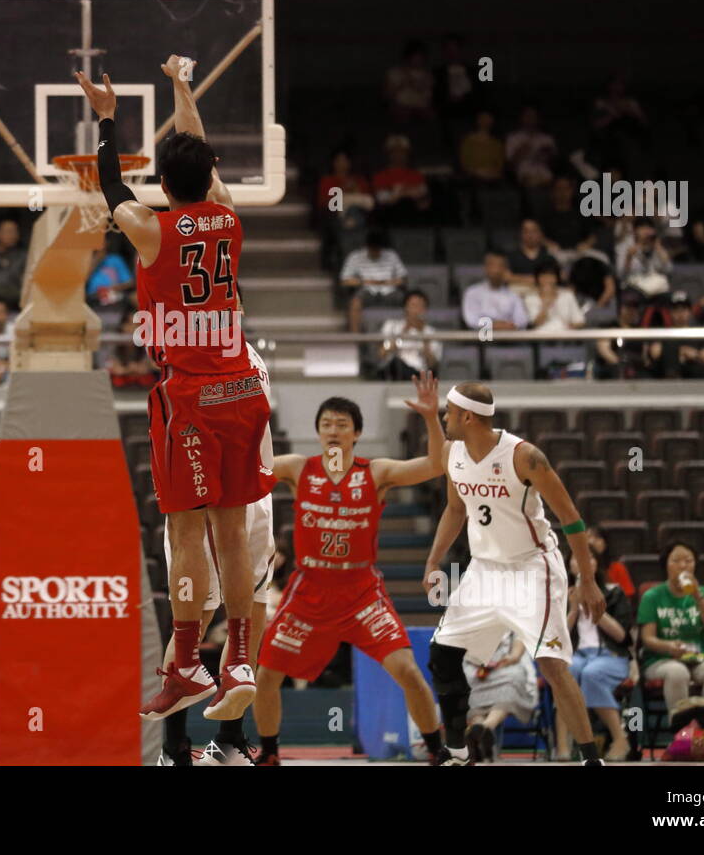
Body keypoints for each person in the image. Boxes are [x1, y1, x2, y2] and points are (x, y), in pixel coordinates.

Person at [76, 55, 273, 721]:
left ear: (163, 181)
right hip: (243, 389)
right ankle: (238, 656)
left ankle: (188, 660)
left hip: (190, 396)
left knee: (187, 533)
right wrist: (182, 87)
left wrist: (106, 121)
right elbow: (202, 161)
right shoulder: (226, 214)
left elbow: (109, 185)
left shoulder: (150, 230)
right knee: (234, 533)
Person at [254, 378, 453, 765]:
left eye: (342, 424)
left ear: (356, 434)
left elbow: (434, 465)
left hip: (361, 591)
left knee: (409, 671)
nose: (333, 430)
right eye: (327, 423)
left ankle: (436, 751)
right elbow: (249, 469)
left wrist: (431, 418)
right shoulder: (298, 468)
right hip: (309, 590)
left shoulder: (375, 473)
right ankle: (270, 753)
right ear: (317, 431)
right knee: (266, 676)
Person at [424, 382, 610, 765]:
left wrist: (587, 580)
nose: (444, 418)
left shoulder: (525, 457)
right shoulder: (451, 453)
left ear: (467, 416)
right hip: (485, 570)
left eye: (448, 412)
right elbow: (455, 510)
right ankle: (457, 751)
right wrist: (433, 559)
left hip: (532, 568)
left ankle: (592, 759)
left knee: (552, 666)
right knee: (442, 654)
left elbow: (572, 520)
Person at [159, 339, 276, 766]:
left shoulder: (251, 356)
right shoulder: (185, 353)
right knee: (196, 620)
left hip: (253, 499)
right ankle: (173, 748)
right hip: (203, 501)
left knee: (254, 618)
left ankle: (228, 741)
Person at [556, 541, 634, 762]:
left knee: (592, 673)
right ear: (568, 563)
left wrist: (594, 606)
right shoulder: (559, 595)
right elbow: (555, 638)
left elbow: (622, 636)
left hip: (610, 656)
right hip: (575, 655)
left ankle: (620, 739)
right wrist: (573, 610)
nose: (581, 561)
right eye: (576, 557)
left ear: (596, 563)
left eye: (589, 557)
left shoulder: (613, 592)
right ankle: (562, 744)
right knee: (563, 674)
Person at [636, 541, 704, 709]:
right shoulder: (652, 596)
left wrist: (697, 595)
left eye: (688, 561)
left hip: (697, 656)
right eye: (676, 561)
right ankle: (682, 729)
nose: (683, 565)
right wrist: (668, 646)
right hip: (661, 659)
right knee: (677, 672)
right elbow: (647, 639)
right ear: (666, 565)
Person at [462, 632, 537, 762]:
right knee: (467, 683)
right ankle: (481, 731)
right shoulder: (476, 623)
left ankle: (485, 728)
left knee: (511, 680)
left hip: (507, 665)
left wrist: (500, 662)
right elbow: (468, 652)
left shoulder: (514, 624)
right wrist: (482, 664)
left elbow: (516, 655)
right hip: (477, 666)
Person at [340, 228, 407, 333]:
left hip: (389, 290)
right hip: (367, 290)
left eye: (378, 249)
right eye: (373, 249)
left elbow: (403, 279)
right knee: (355, 303)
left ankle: (406, 333)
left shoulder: (391, 255)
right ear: (367, 247)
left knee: (408, 302)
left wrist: (389, 282)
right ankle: (355, 336)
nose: (376, 252)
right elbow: (345, 280)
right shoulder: (355, 257)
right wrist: (364, 282)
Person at [646, 291, 704, 379]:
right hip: (667, 381)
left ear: (689, 311)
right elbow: (655, 352)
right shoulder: (663, 333)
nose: (680, 313)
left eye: (683, 309)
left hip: (694, 380)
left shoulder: (698, 333)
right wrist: (681, 351)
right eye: (676, 309)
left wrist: (695, 355)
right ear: (670, 312)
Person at [378, 289, 441, 380]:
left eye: (420, 306)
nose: (416, 310)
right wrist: (403, 332)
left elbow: (432, 364)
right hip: (394, 369)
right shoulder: (392, 326)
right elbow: (382, 353)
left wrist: (423, 336)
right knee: (395, 364)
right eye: (413, 305)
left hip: (419, 373)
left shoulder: (431, 332)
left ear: (425, 310)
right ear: (406, 307)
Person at [461, 250, 528, 331]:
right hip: (482, 336)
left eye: (500, 265)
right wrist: (492, 325)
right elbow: (471, 320)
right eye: (491, 265)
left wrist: (509, 325)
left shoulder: (513, 294)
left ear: (506, 269)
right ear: (485, 268)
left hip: (508, 335)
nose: (496, 270)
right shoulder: (473, 292)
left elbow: (522, 320)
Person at [371, 134, 431, 223]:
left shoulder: (416, 175)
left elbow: (424, 201)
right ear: (388, 153)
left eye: (402, 151)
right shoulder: (380, 176)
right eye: (394, 151)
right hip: (389, 218)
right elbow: (381, 200)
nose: (398, 155)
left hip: (415, 218)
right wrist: (399, 195)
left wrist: (402, 193)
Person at [594, 289, 651, 380]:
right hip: (614, 368)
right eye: (628, 306)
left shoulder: (640, 331)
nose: (631, 311)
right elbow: (604, 350)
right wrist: (621, 365)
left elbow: (645, 358)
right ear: (620, 308)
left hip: (637, 370)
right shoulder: (609, 327)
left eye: (635, 307)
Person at [505, 105, 558, 189]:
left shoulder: (547, 139)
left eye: (533, 116)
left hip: (544, 172)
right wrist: (521, 152)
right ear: (521, 118)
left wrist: (548, 155)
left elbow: (555, 164)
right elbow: (509, 165)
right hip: (524, 173)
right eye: (527, 116)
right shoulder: (513, 137)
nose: (530, 119)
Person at [523, 263, 585, 332]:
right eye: (543, 277)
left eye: (551, 276)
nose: (547, 280)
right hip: (541, 338)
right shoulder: (530, 298)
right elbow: (535, 324)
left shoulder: (567, 295)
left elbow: (580, 322)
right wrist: (545, 306)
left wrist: (568, 328)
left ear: (557, 278)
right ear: (537, 278)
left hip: (564, 336)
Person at [384, 40, 434, 123]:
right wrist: (403, 83)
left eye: (421, 57)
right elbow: (386, 96)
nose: (418, 60)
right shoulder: (394, 73)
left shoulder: (428, 75)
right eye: (415, 56)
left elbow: (428, 97)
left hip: (422, 109)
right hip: (401, 108)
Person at [105, 311, 158, 390]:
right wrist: (125, 370)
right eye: (129, 324)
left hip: (142, 385)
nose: (133, 328)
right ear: (122, 326)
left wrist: (143, 367)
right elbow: (113, 367)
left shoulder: (148, 343)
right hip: (119, 386)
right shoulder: (114, 342)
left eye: (137, 325)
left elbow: (148, 366)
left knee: (147, 379)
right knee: (117, 380)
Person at [507, 219, 557, 288]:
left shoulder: (549, 256)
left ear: (541, 233)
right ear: (520, 234)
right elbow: (506, 276)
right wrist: (535, 279)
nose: (530, 235)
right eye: (526, 231)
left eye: (534, 231)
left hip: (543, 294)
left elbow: (557, 277)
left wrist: (519, 278)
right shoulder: (512, 256)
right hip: (518, 293)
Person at [86, 236, 135, 309]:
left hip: (114, 297)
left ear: (107, 243)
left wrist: (113, 288)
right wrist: (97, 259)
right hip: (92, 299)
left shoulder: (115, 259)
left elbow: (130, 282)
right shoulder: (87, 261)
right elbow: (82, 281)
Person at [458, 110, 505, 183]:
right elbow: (464, 164)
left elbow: (500, 165)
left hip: (493, 179)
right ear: (477, 120)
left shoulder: (497, 143)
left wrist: (492, 173)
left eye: (488, 119)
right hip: (473, 178)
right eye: (483, 118)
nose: (485, 121)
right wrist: (477, 172)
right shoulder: (467, 141)